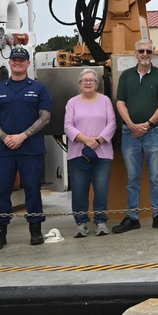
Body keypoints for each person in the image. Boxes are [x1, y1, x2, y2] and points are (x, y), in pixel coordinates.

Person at [0, 47, 52, 250]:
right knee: (2, 191)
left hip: (31, 149)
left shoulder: (39, 88)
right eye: (14, 60)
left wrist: (23, 136)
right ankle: (0, 233)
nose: (18, 63)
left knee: (32, 189)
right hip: (3, 150)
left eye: (22, 60)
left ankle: (36, 230)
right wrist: (6, 138)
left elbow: (45, 117)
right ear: (10, 63)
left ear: (28, 64)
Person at [113, 39, 158, 233]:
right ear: (135, 54)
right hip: (129, 133)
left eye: (148, 51)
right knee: (132, 177)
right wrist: (131, 124)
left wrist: (148, 124)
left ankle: (157, 215)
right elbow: (120, 102)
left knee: (156, 176)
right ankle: (132, 217)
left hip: (154, 132)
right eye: (141, 51)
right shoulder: (126, 76)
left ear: (153, 54)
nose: (145, 54)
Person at [63, 68, 116, 238]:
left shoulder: (105, 101)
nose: (88, 83)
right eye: (84, 80)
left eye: (91, 80)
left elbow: (112, 123)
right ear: (79, 84)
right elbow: (68, 126)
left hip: (102, 153)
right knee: (79, 190)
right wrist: (86, 140)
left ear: (96, 84)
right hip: (78, 153)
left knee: (101, 188)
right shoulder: (72, 103)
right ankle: (81, 223)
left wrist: (99, 140)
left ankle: (101, 221)